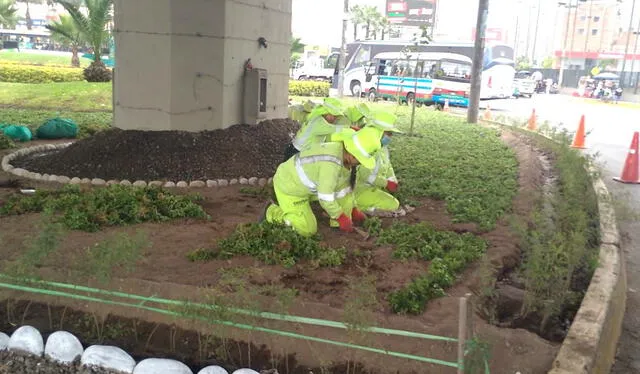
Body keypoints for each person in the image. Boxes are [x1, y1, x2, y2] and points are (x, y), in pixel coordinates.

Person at [264, 127, 383, 237]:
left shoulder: (342, 153)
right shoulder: (330, 165)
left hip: (310, 186)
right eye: (360, 160)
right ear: (351, 155)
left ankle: (336, 225)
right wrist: (340, 217)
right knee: (307, 229)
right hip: (290, 188)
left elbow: (344, 188)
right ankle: (272, 212)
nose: (360, 163)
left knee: (341, 189)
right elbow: (325, 196)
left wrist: (353, 208)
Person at [354, 111, 404, 215]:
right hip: (359, 189)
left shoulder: (383, 148)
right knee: (393, 204)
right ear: (379, 131)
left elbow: (388, 166)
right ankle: (356, 207)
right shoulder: (367, 147)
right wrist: (386, 183)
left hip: (373, 187)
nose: (390, 137)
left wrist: (393, 181)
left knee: (393, 202)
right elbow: (366, 176)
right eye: (388, 133)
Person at [283, 97, 347, 162]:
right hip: (297, 152)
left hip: (298, 150)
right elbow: (336, 129)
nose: (335, 119)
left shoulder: (318, 117)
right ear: (326, 113)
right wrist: (351, 128)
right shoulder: (319, 123)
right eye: (334, 116)